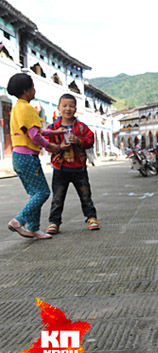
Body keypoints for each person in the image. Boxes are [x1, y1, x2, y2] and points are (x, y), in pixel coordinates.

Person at [6, 73, 64, 239]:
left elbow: (33, 130)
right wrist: (51, 146)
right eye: (32, 86)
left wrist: (53, 132)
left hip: (18, 157)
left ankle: (33, 228)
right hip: (28, 157)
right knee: (42, 193)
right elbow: (35, 136)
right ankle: (19, 220)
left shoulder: (17, 107)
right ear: (26, 90)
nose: (34, 89)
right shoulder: (28, 109)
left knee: (35, 193)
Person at [45, 93, 99, 234]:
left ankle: (91, 217)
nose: (68, 109)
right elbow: (46, 143)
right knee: (57, 197)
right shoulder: (53, 127)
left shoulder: (81, 127)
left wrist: (79, 141)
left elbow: (90, 140)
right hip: (60, 168)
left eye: (71, 106)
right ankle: (54, 222)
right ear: (59, 108)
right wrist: (60, 147)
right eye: (64, 106)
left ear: (76, 109)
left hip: (79, 168)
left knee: (85, 195)